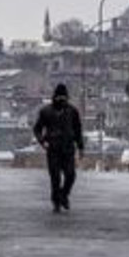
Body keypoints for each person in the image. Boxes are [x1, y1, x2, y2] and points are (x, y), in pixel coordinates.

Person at [33, 83, 84, 212]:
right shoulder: (46, 111)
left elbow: (78, 130)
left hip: (68, 148)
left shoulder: (72, 111)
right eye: (59, 97)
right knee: (55, 177)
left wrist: (80, 147)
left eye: (63, 97)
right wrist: (42, 141)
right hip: (53, 149)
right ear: (54, 97)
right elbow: (37, 129)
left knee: (70, 175)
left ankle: (63, 195)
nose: (61, 100)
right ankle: (56, 202)